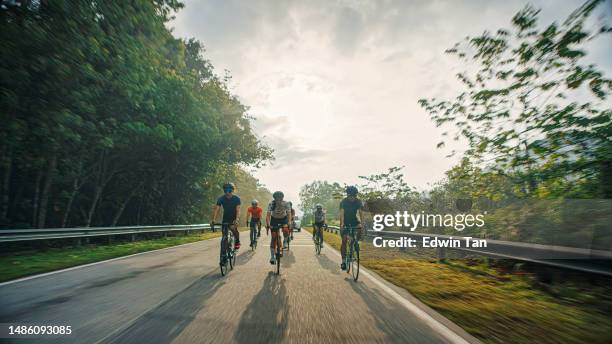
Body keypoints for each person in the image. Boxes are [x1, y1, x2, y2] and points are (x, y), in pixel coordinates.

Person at [339, 185, 364, 270]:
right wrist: (342, 224)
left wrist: (362, 223)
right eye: (351, 196)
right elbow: (342, 214)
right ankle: (343, 261)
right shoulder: (343, 202)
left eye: (354, 196)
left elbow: (360, 212)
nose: (353, 198)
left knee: (360, 228)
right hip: (345, 221)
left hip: (354, 220)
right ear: (348, 195)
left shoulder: (358, 201)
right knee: (344, 240)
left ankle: (355, 242)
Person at [212, 182, 241, 250]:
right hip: (225, 218)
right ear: (224, 191)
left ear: (232, 190)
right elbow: (217, 210)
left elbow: (238, 210)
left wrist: (237, 219)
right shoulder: (221, 198)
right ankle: (224, 254)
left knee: (234, 230)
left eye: (229, 190)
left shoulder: (236, 198)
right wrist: (213, 220)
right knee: (224, 236)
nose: (227, 192)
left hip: (234, 218)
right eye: (225, 190)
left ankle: (237, 241)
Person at [266, 191, 292, 265]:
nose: (278, 200)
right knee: (274, 237)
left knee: (285, 230)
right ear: (274, 198)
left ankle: (285, 242)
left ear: (282, 198)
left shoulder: (286, 203)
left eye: (280, 198)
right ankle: (272, 257)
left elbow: (289, 214)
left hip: (283, 219)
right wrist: (268, 224)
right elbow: (268, 215)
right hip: (274, 219)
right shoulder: (271, 204)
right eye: (277, 198)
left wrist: (289, 223)